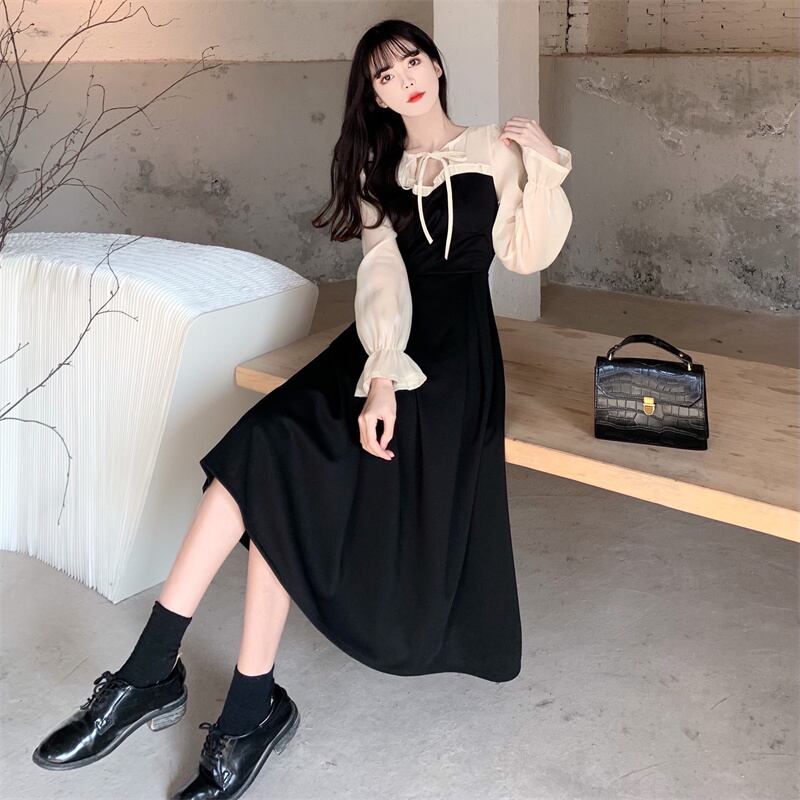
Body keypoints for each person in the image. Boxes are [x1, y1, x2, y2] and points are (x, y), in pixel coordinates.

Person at [31, 17, 573, 800]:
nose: (403, 80)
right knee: (265, 448)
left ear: (436, 65)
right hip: (383, 347)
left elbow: (527, 254)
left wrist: (546, 165)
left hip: (455, 360)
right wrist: (381, 373)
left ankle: (167, 683)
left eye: (411, 62)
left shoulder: (497, 147)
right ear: (374, 97)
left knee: (279, 475)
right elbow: (382, 273)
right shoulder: (380, 168)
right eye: (384, 75)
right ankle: (192, 688)